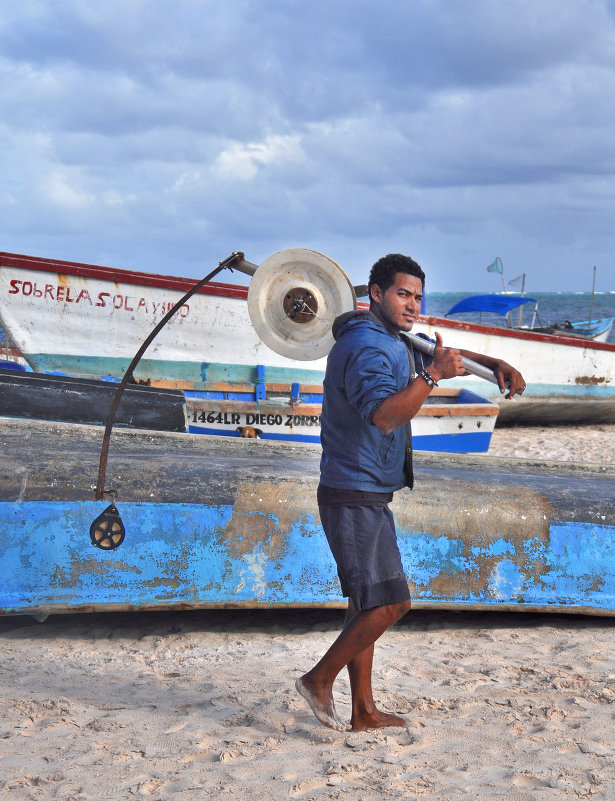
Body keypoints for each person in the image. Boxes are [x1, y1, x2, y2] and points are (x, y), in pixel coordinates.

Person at [296, 253, 525, 732]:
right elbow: (384, 415)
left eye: (419, 296)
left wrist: (491, 361)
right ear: (375, 294)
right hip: (352, 489)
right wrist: (431, 377)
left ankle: (363, 711)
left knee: (366, 601)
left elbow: (438, 354)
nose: (413, 305)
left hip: (365, 488)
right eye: (404, 294)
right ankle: (319, 680)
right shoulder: (368, 348)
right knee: (390, 603)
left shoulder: (391, 337)